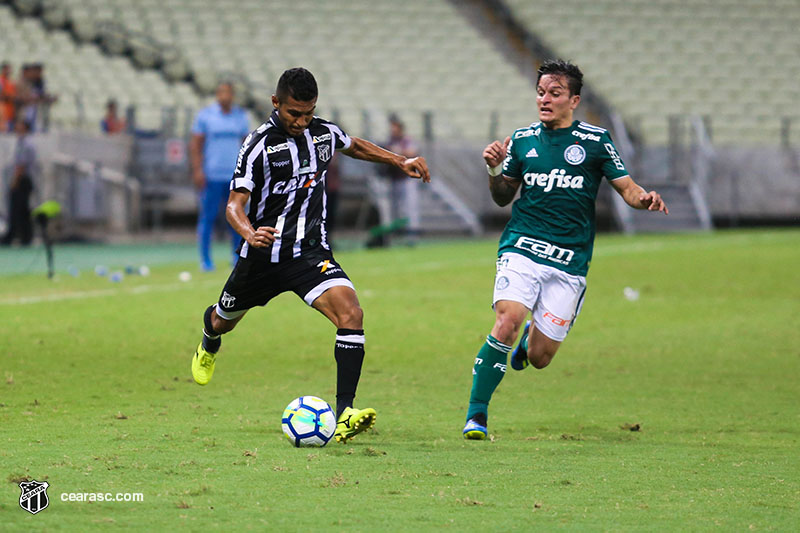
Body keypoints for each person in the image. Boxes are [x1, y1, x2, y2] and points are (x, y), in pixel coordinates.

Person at [190, 68, 430, 443]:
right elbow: (234, 206)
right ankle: (209, 336)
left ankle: (345, 412)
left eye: (308, 112)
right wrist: (250, 233)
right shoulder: (257, 146)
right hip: (262, 255)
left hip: (309, 253)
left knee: (351, 312)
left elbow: (356, 145)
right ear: (276, 103)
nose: (302, 122)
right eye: (293, 114)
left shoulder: (323, 132)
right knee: (224, 320)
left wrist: (400, 161)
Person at [462, 60, 668, 440]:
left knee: (539, 359)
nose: (545, 99)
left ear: (573, 100)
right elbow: (503, 198)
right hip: (521, 245)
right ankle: (477, 415)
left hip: (569, 259)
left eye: (554, 93)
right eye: (541, 92)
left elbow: (628, 189)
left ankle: (531, 340)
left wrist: (645, 200)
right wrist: (494, 170)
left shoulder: (596, 141)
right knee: (507, 320)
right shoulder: (522, 139)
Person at [190, 81, 251, 271]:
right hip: (212, 174)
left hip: (235, 176)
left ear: (232, 95)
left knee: (238, 216)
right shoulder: (206, 116)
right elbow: (196, 145)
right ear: (217, 95)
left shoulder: (240, 117)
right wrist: (198, 170)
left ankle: (237, 257)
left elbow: (246, 146)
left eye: (228, 93)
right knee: (208, 217)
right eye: (221, 92)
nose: (224, 96)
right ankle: (206, 260)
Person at [383, 114, 420, 243]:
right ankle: (397, 232)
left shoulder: (406, 140)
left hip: (406, 178)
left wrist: (398, 152)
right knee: (396, 208)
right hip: (394, 178)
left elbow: (412, 153)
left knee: (410, 207)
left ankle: (412, 234)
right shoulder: (390, 141)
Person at [1, 119, 36, 246]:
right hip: (24, 179)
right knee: (23, 208)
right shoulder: (22, 143)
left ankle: (16, 235)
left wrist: (15, 181)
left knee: (17, 209)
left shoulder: (25, 144)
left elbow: (21, 165)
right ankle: (25, 236)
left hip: (22, 180)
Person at [0, 62, 17, 132]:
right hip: (2, 109)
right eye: (7, 69)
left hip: (10, 110)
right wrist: (9, 97)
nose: (9, 71)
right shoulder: (1, 80)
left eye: (10, 69)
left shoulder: (10, 81)